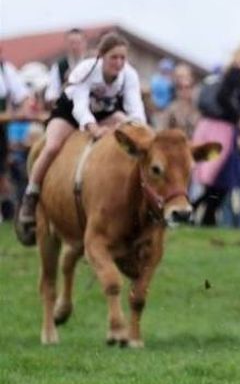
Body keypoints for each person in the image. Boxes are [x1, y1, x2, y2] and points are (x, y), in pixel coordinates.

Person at [15, 32, 147, 245]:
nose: (119, 63)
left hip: (104, 113)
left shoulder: (129, 75)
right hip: (70, 113)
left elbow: (135, 109)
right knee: (52, 146)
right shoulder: (85, 70)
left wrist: (142, 132)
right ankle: (31, 195)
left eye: (123, 58)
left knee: (129, 129)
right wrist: (93, 129)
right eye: (114, 57)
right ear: (102, 56)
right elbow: (80, 107)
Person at [191, 41, 240, 226]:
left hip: (217, 128)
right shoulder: (235, 73)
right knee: (220, 177)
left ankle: (206, 216)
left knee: (220, 180)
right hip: (221, 130)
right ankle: (198, 212)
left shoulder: (231, 73)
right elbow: (224, 98)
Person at [0, 51, 33, 221]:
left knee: (3, 170)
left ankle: (6, 211)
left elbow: (23, 95)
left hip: (2, 128)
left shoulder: (5, 69)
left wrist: (24, 107)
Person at [44, 28, 88, 106]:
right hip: (66, 107)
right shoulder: (59, 66)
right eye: (71, 43)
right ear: (66, 44)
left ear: (84, 43)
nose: (74, 47)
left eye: (78, 43)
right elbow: (51, 94)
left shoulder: (92, 63)